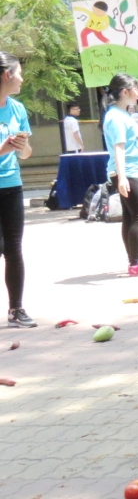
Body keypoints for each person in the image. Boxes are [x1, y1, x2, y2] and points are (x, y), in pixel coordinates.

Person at [103, 74, 138, 276]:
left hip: (132, 170)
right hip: (126, 172)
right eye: (135, 88)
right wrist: (122, 176)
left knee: (130, 217)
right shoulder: (115, 117)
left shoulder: (123, 115)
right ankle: (136, 262)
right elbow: (119, 148)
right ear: (125, 92)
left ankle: (134, 261)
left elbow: (133, 149)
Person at [0, 53, 35, 328]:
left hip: (12, 184)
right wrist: (4, 148)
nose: (22, 78)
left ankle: (16, 309)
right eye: (19, 72)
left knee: (14, 249)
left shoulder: (18, 109)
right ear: (7, 75)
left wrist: (21, 147)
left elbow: (26, 155)